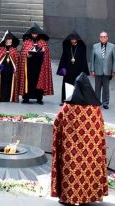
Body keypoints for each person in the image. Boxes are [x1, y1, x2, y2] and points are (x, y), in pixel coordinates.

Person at [51, 72, 108, 205]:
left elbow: (57, 122)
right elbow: (100, 127)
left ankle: (68, 197)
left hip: (71, 149)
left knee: (72, 171)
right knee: (88, 170)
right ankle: (88, 196)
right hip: (90, 150)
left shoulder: (69, 107)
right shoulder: (95, 108)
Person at [18, 23, 53, 104]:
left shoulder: (43, 42)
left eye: (36, 33)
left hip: (39, 67)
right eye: (33, 33)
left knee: (39, 81)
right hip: (29, 66)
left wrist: (44, 51)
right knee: (28, 81)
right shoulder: (27, 42)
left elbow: (46, 54)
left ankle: (39, 99)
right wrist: (27, 54)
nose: (34, 35)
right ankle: (26, 98)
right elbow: (23, 53)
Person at [57, 31, 89, 106]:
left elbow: (84, 60)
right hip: (68, 70)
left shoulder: (81, 48)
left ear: (77, 39)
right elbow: (63, 58)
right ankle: (66, 100)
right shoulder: (67, 47)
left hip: (78, 70)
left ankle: (77, 100)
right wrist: (62, 69)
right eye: (71, 39)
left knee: (77, 84)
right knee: (67, 84)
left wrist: (84, 71)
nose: (73, 40)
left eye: (74, 39)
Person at [0, 30, 20, 102]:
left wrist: (15, 68)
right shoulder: (0, 49)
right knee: (2, 83)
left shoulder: (14, 49)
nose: (10, 41)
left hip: (10, 69)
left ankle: (9, 98)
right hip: (2, 69)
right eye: (8, 39)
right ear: (5, 40)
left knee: (9, 83)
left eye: (11, 39)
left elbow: (16, 60)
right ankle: (0, 97)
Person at [90, 31, 115, 109]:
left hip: (107, 70)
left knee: (106, 88)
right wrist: (92, 70)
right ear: (99, 38)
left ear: (107, 38)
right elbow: (92, 59)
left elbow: (114, 59)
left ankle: (105, 103)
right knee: (97, 88)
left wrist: (113, 70)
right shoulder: (95, 46)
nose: (103, 38)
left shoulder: (112, 46)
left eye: (104, 37)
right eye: (101, 37)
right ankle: (97, 102)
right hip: (97, 70)